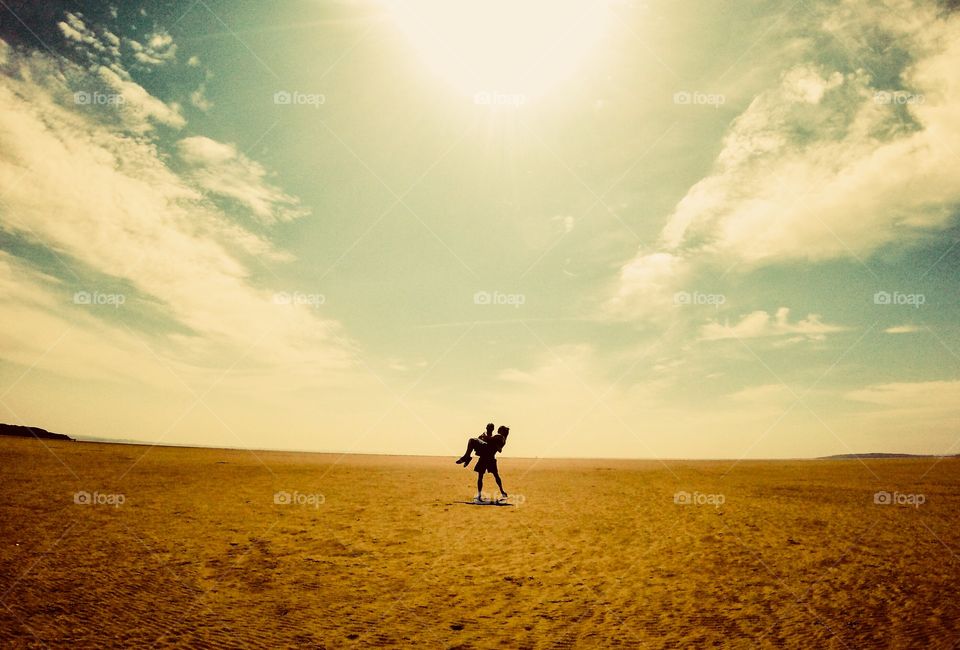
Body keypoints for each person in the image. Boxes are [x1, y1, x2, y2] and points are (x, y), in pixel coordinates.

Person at [456, 425, 509, 501]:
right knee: (489, 476)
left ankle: (467, 457)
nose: (498, 430)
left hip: (488, 456)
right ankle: (500, 492)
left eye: (499, 429)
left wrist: (485, 437)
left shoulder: (500, 437)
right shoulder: (500, 437)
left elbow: (496, 445)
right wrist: (484, 437)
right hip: (486, 456)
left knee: (471, 440)